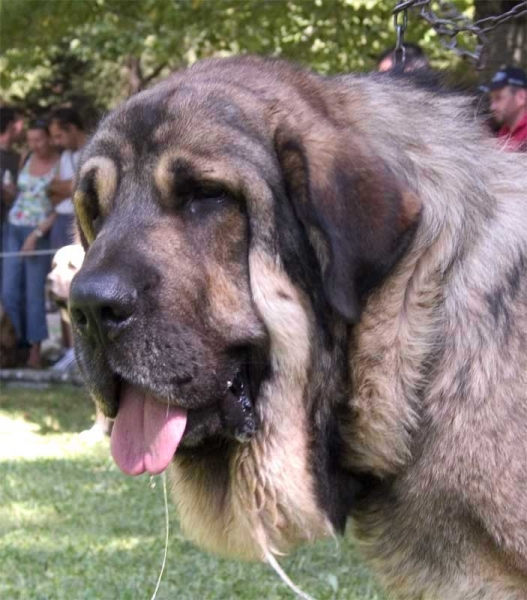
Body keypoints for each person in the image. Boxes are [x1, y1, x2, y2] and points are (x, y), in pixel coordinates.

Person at [1, 118, 60, 368]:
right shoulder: (25, 157)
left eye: (39, 140)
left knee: (34, 294)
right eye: (31, 140)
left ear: (49, 138)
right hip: (13, 227)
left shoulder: (61, 164)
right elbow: (22, 196)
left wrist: (36, 234)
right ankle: (14, 346)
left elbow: (61, 208)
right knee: (9, 292)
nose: (35, 145)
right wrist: (10, 191)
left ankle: (35, 351)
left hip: (38, 233)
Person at [48, 108, 86, 249]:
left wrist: (69, 187)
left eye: (59, 136)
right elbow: (51, 190)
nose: (56, 142)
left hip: (81, 221)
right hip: (61, 220)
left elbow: (85, 188)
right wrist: (71, 188)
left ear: (71, 128)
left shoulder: (93, 151)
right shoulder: (64, 155)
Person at [0, 106, 24, 295]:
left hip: (11, 226)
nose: (22, 126)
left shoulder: (18, 158)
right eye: (19, 122)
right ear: (10, 126)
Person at [487, 66, 527, 152]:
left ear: (521, 97)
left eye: (498, 98)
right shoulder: (504, 131)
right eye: (491, 99)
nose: (492, 107)